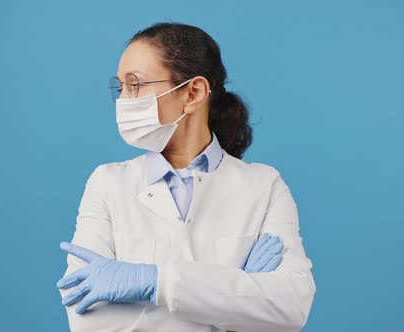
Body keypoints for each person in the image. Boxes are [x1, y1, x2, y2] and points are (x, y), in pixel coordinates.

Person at [56, 22, 316, 332]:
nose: (124, 100)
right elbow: (88, 322)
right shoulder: (107, 184)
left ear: (192, 93)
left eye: (135, 84)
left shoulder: (264, 185)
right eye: (120, 87)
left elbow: (291, 307)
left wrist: (155, 283)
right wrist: (235, 302)